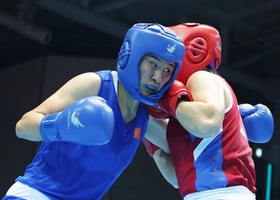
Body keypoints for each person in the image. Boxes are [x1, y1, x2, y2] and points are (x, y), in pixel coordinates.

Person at [3, 23, 186, 200]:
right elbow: (23, 126)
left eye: (167, 70)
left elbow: (183, 155)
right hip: (36, 195)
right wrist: (61, 125)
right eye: (153, 64)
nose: (157, 77)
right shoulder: (95, 85)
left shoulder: (145, 116)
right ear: (133, 56)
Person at [144, 23, 274, 200]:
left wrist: (169, 97)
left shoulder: (203, 77)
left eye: (167, 65)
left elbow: (207, 123)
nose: (162, 73)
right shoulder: (185, 116)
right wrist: (144, 125)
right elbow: (177, 179)